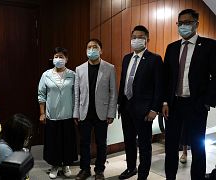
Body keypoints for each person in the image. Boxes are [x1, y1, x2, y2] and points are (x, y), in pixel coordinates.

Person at [162, 9, 216, 180]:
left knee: (198, 148)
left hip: (196, 105)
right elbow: (166, 78)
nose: (184, 26)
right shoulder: (171, 48)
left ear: (196, 24)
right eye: (180, 23)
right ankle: (170, 177)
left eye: (188, 22)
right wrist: (164, 102)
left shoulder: (209, 46)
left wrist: (207, 101)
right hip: (173, 105)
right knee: (171, 146)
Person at [117, 25, 163, 180]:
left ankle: (143, 174)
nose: (136, 40)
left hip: (144, 111)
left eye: (140, 37)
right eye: (134, 37)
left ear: (147, 39)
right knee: (129, 141)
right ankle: (131, 168)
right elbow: (123, 82)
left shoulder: (155, 59)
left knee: (144, 145)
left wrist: (154, 109)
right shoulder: (126, 58)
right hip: (126, 108)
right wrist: (119, 104)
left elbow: (159, 86)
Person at [73, 39, 117, 180]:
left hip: (102, 113)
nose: (91, 50)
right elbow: (76, 94)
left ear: (101, 50)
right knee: (84, 143)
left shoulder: (109, 68)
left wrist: (111, 113)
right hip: (84, 113)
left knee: (101, 143)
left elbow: (113, 92)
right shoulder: (79, 69)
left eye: (95, 47)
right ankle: (85, 169)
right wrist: (76, 113)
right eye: (89, 47)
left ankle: (99, 170)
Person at [38, 47, 77, 179]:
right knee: (53, 142)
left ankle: (65, 165)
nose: (58, 59)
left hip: (68, 115)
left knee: (67, 141)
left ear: (66, 59)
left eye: (61, 57)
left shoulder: (73, 75)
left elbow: (76, 95)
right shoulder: (46, 75)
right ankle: (54, 166)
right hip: (52, 115)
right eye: (56, 56)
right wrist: (42, 113)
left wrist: (75, 113)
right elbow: (41, 95)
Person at [0, 113, 33, 179]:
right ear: (18, 137)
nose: (28, 139)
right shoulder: (2, 149)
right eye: (27, 137)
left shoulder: (8, 145)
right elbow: (15, 175)